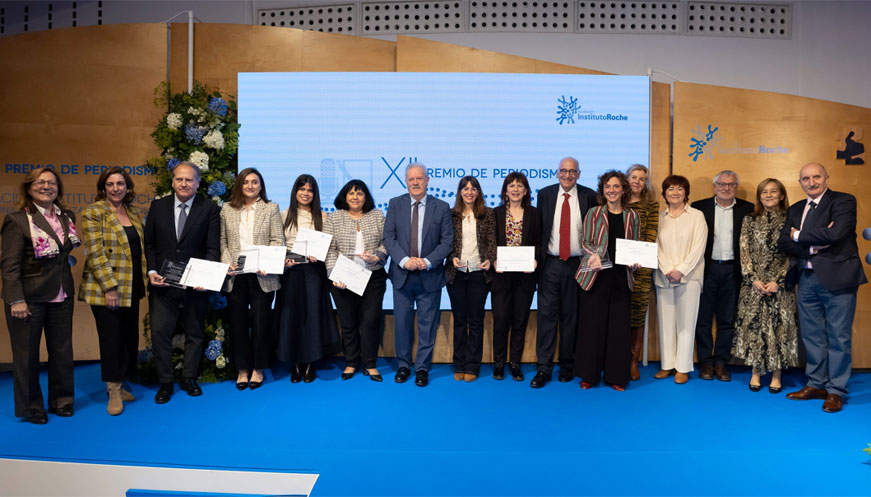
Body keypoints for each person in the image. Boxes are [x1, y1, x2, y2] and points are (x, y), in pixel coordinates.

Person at [778, 163, 867, 413]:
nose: (812, 182)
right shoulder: (796, 209)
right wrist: (813, 242)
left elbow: (837, 234)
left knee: (838, 336)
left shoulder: (843, 201)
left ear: (826, 177)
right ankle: (816, 384)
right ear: (800, 182)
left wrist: (799, 235)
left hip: (839, 279)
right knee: (812, 336)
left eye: (816, 176)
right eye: (805, 178)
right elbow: (783, 241)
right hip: (806, 279)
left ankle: (836, 390)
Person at [1, 168, 79, 424]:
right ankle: (32, 407)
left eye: (52, 183)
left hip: (61, 293)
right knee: (26, 355)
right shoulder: (17, 220)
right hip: (28, 299)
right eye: (40, 182)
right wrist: (16, 299)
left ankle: (62, 401)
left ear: (59, 188)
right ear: (29, 187)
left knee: (62, 351)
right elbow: (9, 266)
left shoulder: (67, 216)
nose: (47, 186)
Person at [145, 162, 220, 403]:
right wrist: (152, 271)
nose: (184, 184)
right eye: (179, 179)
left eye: (189, 180)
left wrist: (204, 278)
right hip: (163, 284)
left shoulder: (208, 209)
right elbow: (150, 245)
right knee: (160, 333)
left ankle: (189, 377)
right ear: (172, 182)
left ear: (198, 183)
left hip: (194, 287)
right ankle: (165, 382)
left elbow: (212, 248)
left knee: (194, 333)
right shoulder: (158, 207)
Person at [79, 167, 146, 415]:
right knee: (111, 339)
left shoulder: (133, 212)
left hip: (132, 285)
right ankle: (113, 389)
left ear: (127, 188)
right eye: (110, 184)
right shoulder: (94, 212)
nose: (116, 188)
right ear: (103, 188)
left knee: (128, 337)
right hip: (106, 289)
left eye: (120, 184)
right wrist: (109, 288)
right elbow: (95, 253)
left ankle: (122, 380)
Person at [383, 163, 453, 387]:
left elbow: (447, 242)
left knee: (427, 325)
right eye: (411, 179)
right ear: (406, 181)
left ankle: (422, 368)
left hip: (429, 275)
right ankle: (404, 366)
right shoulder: (395, 204)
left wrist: (426, 261)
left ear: (427, 180)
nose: (415, 183)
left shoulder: (442, 207)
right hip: (402, 275)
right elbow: (389, 238)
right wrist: (404, 260)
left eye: (419, 179)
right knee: (402, 324)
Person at [531, 157, 596, 388]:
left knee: (571, 318)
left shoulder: (590, 196)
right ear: (557, 173)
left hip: (577, 264)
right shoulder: (545, 195)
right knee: (546, 318)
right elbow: (539, 230)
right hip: (550, 264)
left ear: (579, 174)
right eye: (563, 171)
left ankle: (568, 366)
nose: (567, 175)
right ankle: (544, 368)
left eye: (572, 171)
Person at [574, 171, 640, 391]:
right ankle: (588, 375)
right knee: (592, 327)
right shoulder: (593, 213)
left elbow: (636, 245)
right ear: (603, 190)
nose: (611, 190)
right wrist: (591, 254)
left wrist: (636, 262)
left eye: (616, 186)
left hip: (622, 278)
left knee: (618, 329)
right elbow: (585, 241)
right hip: (596, 276)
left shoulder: (632, 216)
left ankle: (616, 376)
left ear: (623, 189)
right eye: (607, 187)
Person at [220, 168, 284, 390]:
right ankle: (242, 369)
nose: (250, 186)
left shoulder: (271, 209)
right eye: (245, 182)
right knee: (237, 323)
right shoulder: (227, 209)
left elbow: (278, 240)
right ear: (239, 185)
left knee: (261, 323)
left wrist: (267, 263)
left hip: (262, 275)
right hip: (235, 275)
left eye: (254, 182)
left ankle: (258, 368)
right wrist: (227, 262)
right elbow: (223, 242)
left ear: (261, 186)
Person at [732, 178, 798, 393]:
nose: (768, 195)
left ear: (781, 195)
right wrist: (753, 278)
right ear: (759, 196)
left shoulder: (791, 219)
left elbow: (794, 253)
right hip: (755, 284)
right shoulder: (750, 219)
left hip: (780, 284)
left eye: (773, 191)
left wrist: (778, 281)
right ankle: (756, 371)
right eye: (764, 192)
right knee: (756, 328)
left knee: (778, 329)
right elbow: (744, 250)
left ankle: (777, 373)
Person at [276, 175, 340, 383]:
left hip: (314, 273)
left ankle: (310, 363)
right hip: (291, 274)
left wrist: (318, 254)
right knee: (291, 318)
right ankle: (294, 364)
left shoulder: (323, 217)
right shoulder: (283, 215)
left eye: (310, 190)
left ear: (315, 194)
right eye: (301, 189)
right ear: (295, 192)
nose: (305, 193)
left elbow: (329, 247)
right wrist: (284, 259)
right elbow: (277, 244)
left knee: (312, 317)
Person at [691, 171, 754, 382]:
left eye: (731, 184)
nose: (726, 188)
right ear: (714, 186)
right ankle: (706, 362)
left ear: (736, 187)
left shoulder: (748, 209)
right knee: (704, 319)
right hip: (707, 268)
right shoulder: (699, 208)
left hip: (733, 270)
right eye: (722, 184)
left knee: (728, 319)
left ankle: (721, 362)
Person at [325, 180, 388, 382]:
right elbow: (329, 249)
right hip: (343, 279)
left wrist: (377, 256)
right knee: (348, 322)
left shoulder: (377, 216)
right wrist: (336, 275)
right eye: (351, 193)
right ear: (344, 196)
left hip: (373, 276)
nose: (355, 197)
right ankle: (351, 362)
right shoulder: (334, 218)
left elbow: (387, 242)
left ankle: (370, 364)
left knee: (370, 321)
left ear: (366, 197)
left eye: (359, 193)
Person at [654, 175, 707, 384]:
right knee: (666, 323)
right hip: (663, 276)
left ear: (686, 192)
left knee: (686, 324)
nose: (674, 193)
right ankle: (667, 365)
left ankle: (683, 367)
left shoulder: (697, 216)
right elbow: (655, 246)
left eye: (679, 189)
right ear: (664, 193)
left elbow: (698, 248)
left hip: (690, 277)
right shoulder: (660, 218)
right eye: (670, 189)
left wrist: (681, 270)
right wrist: (668, 268)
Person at [445, 176, 497, 383]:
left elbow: (493, 240)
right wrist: (451, 257)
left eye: (473, 188)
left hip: (479, 273)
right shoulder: (451, 215)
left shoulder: (488, 214)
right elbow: (445, 241)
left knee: (475, 321)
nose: (469, 192)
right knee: (459, 321)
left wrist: (490, 260)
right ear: (459, 192)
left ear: (478, 192)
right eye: (465, 188)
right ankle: (459, 364)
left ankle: (472, 366)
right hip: (456, 274)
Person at [491, 172, 540, 381]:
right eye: (511, 185)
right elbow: (489, 242)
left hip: (525, 276)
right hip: (501, 276)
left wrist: (536, 260)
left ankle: (515, 363)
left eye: (520, 185)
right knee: (501, 319)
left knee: (519, 321)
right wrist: (493, 260)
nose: (516, 189)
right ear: (505, 191)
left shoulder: (535, 214)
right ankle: (499, 362)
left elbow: (540, 241)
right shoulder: (495, 213)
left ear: (526, 191)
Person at [625, 164, 659, 381]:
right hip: (618, 268)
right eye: (634, 177)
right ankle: (617, 356)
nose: (637, 181)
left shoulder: (651, 205)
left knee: (637, 313)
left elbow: (650, 234)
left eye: (642, 179)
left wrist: (637, 259)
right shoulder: (616, 201)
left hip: (642, 268)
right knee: (618, 313)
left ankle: (632, 360)